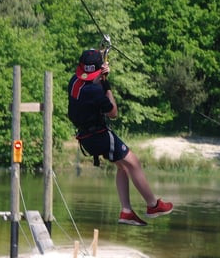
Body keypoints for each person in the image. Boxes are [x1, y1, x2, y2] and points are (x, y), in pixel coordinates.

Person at [67, 49, 173, 226]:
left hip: (85, 137)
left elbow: (89, 76)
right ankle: (152, 205)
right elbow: (113, 112)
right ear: (99, 72)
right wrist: (107, 85)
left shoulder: (74, 81)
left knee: (123, 167)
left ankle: (127, 211)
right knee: (134, 163)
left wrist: (100, 63)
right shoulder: (95, 91)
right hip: (99, 136)